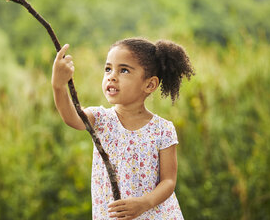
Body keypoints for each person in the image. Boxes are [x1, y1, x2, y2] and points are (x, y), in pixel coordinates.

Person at [51, 38, 194, 219]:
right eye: (108, 69)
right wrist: (58, 86)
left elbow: (168, 181)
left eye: (124, 70)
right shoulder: (101, 119)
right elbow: (71, 117)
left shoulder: (162, 130)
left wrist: (144, 203)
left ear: (149, 84)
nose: (112, 76)